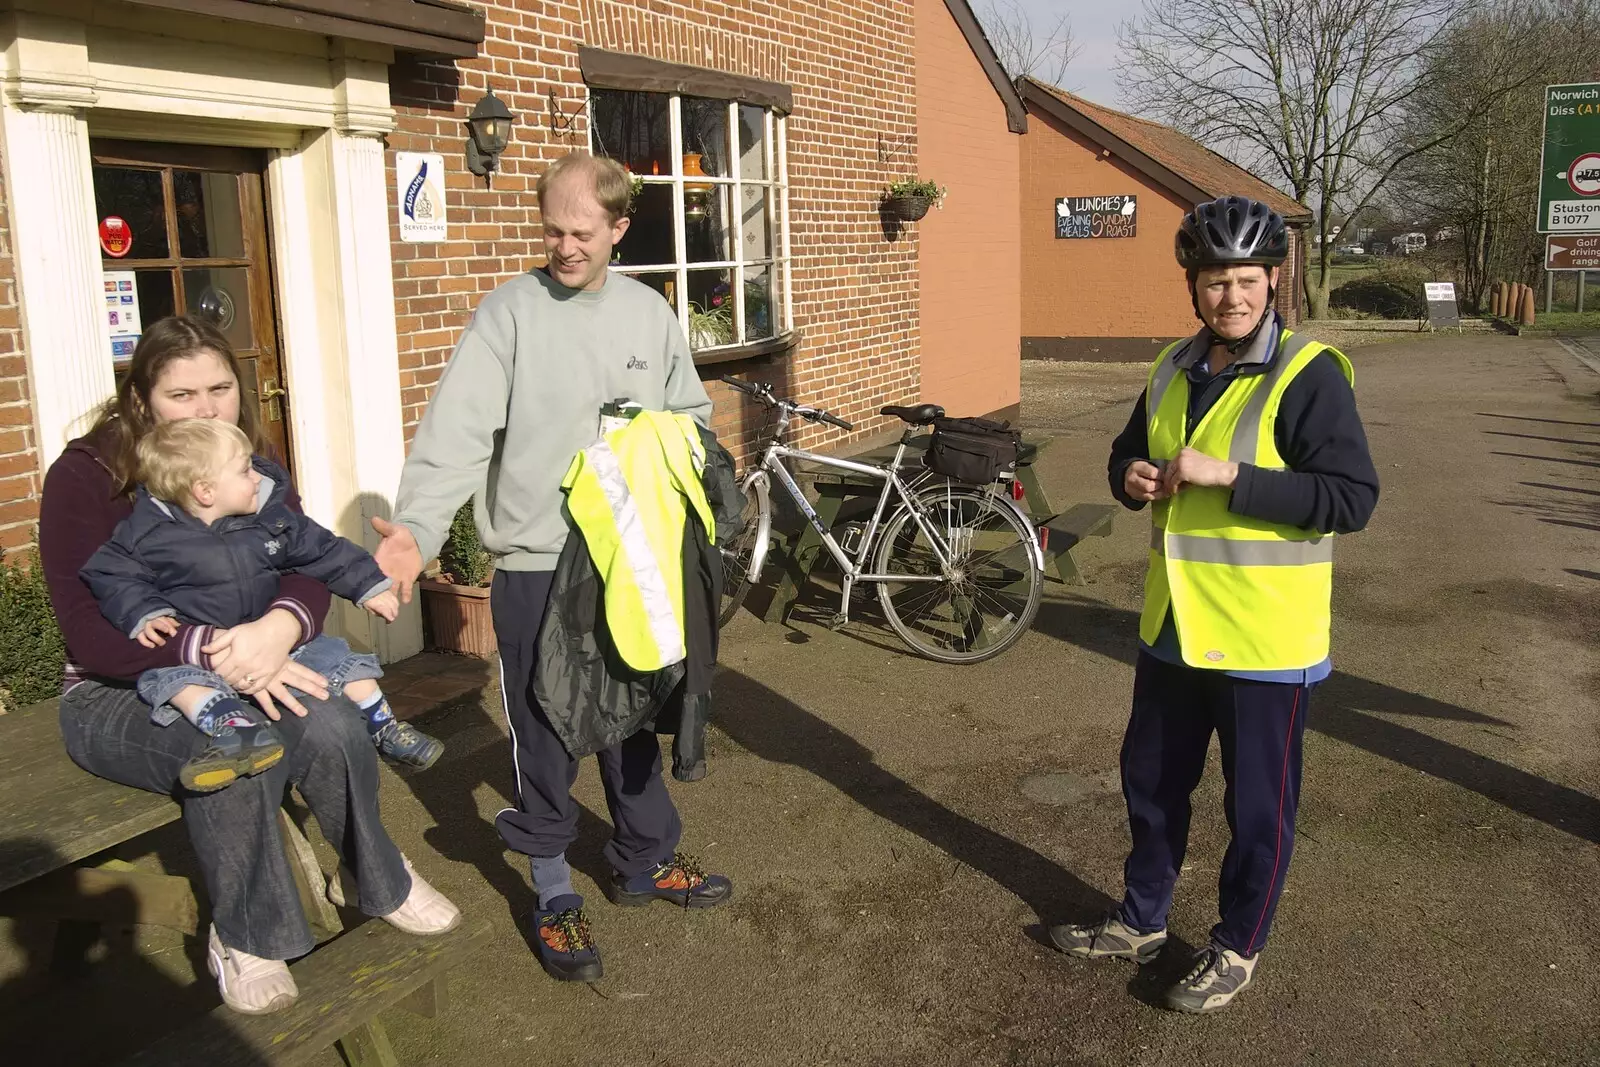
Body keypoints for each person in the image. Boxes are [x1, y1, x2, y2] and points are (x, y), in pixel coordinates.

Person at [370, 152, 731, 984]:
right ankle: (554, 892)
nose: (565, 247)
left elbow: (693, 419)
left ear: (618, 228)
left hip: (631, 559)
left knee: (636, 712)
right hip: (538, 564)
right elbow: (455, 436)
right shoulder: (509, 316)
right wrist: (416, 533)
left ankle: (644, 856)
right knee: (544, 730)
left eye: (582, 232)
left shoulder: (649, 314)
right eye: (553, 230)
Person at [40, 317, 461, 1016]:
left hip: (257, 660)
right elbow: (89, 633)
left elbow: (304, 560)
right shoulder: (88, 479)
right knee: (233, 749)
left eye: (220, 389)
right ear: (142, 401)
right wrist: (218, 653)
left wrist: (277, 627)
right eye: (182, 395)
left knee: (330, 720)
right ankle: (246, 934)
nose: (206, 409)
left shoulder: (249, 466)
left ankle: (375, 876)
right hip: (125, 689)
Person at [1050, 196, 1379, 1013]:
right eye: (1212, 282)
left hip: (1267, 641)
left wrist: (1231, 477)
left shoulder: (1308, 377)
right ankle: (1142, 919)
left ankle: (1237, 944)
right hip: (1174, 629)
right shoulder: (1170, 367)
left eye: (1244, 281)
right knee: (1151, 784)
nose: (1229, 298)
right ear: (1192, 287)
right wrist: (1127, 478)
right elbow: (1131, 452)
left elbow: (1349, 497)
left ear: (1273, 280)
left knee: (1258, 808)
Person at [78, 416, 444, 794]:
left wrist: (367, 585)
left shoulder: (271, 520)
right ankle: (238, 733)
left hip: (277, 642)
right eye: (243, 470)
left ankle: (384, 727)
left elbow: (323, 550)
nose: (256, 477)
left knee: (346, 664)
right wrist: (144, 612)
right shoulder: (149, 533)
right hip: (206, 651)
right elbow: (111, 573)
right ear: (205, 491)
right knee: (174, 683)